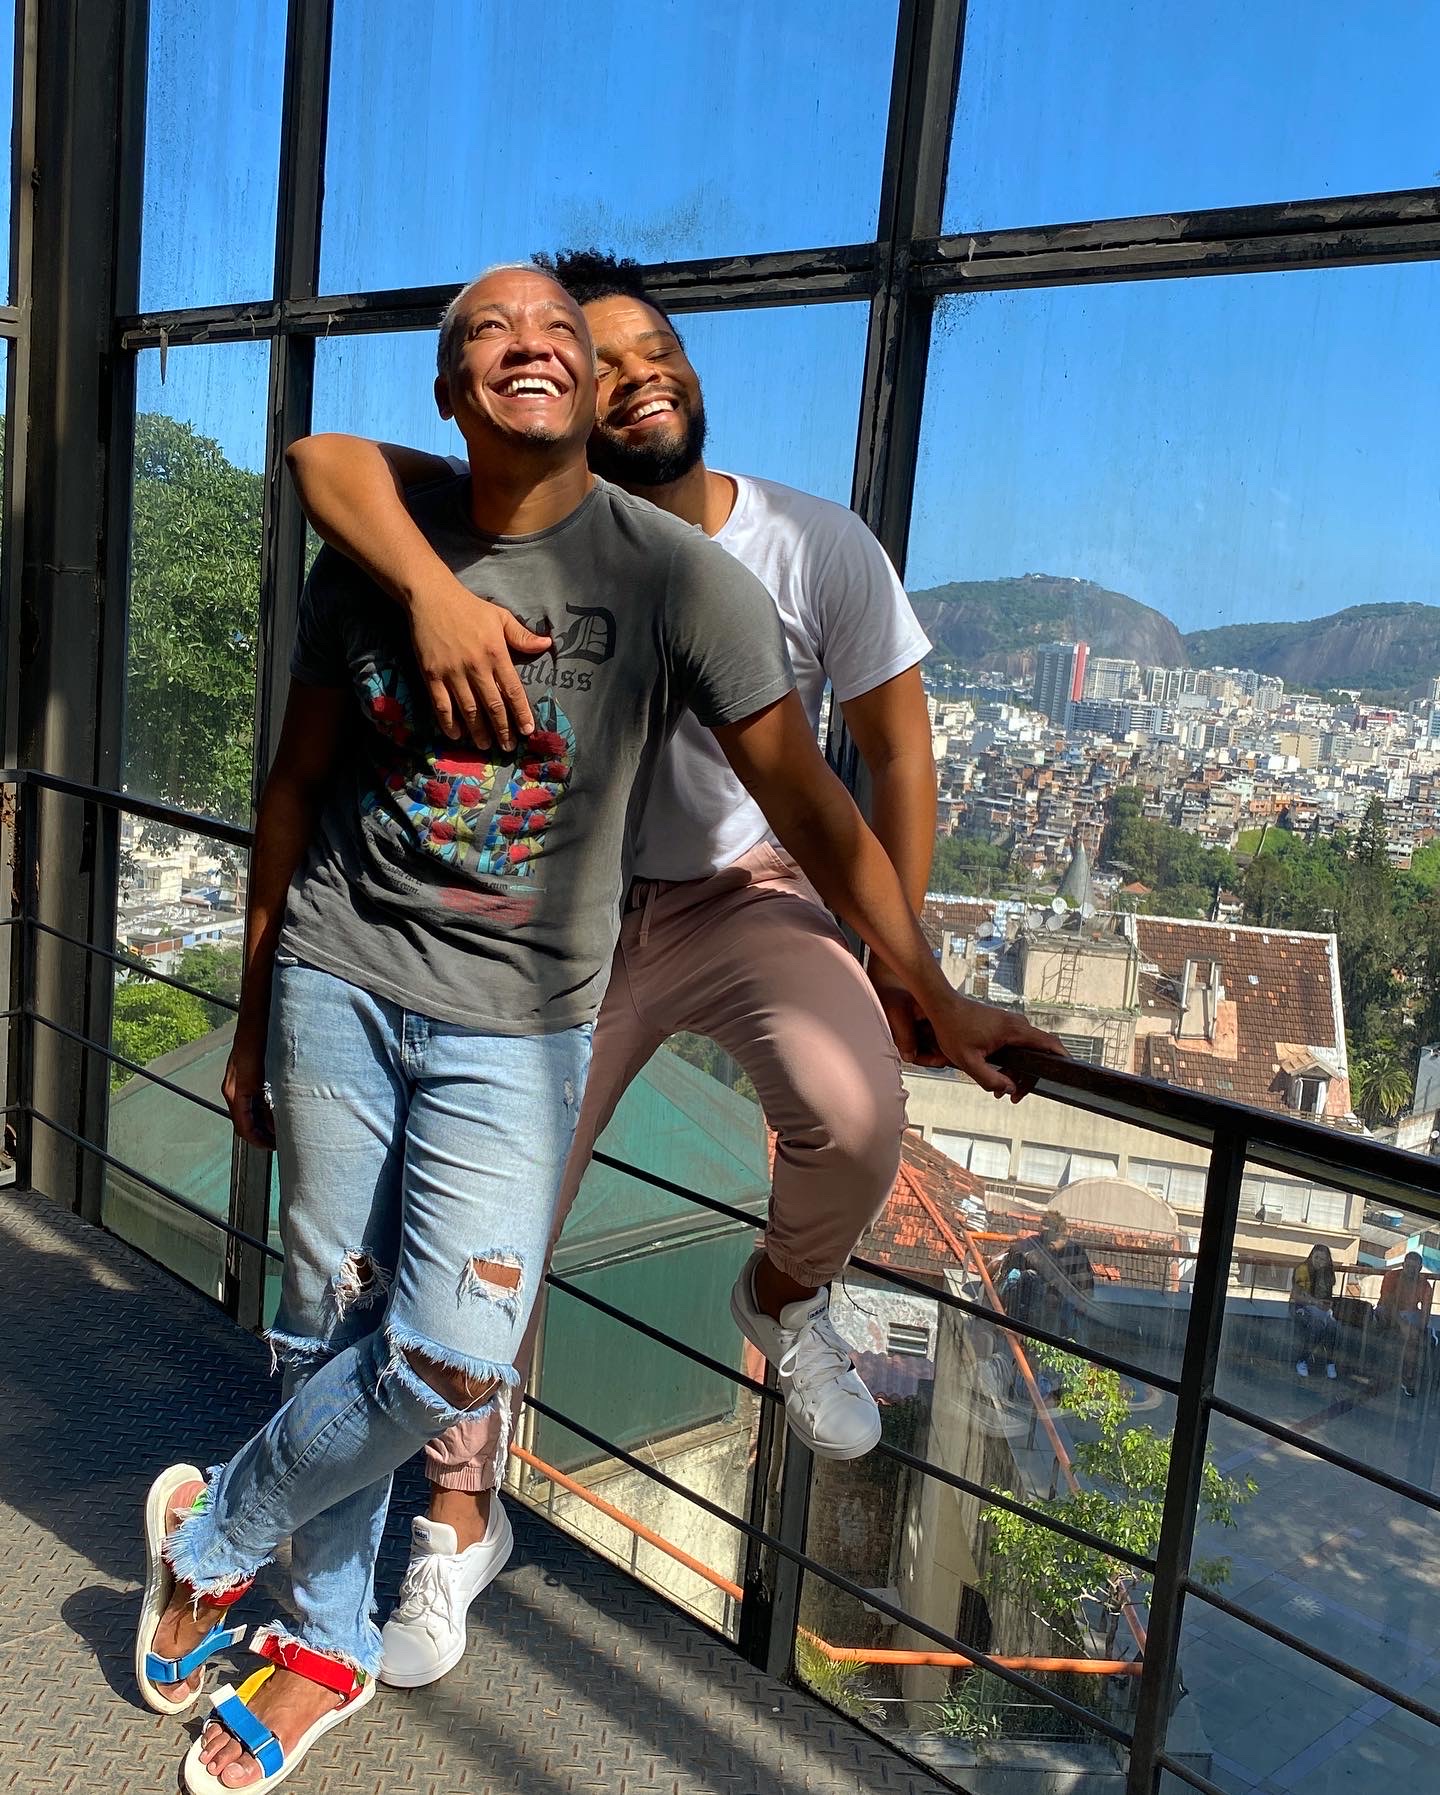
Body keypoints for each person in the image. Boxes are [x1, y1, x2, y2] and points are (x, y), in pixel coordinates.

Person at [132, 264, 1062, 1792]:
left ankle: (220, 1526)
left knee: (445, 1347)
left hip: (522, 1014)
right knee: (321, 1316)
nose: (538, 348)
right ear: (451, 390)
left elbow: (817, 802)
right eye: (492, 331)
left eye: (559, 331)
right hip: (338, 977)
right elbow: (293, 780)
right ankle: (321, 1640)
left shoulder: (680, 578)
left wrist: (934, 987)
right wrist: (253, 1004)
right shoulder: (379, 545)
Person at [285, 247, 967, 1687]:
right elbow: (329, 463)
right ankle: (460, 1518)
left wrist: (916, 965)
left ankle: (786, 1296)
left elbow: (871, 767)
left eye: (659, 347)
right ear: (569, 399)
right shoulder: (515, 524)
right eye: (606, 358)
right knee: (488, 1239)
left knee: (851, 1109)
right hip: (561, 926)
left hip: (740, 896)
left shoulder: (793, 547)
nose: (640, 370)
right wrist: (430, 590)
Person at [1377, 1251, 1435, 1397]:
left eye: (1414, 1268)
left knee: (1415, 1337)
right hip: (1388, 1312)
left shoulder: (1425, 1285)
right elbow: (1387, 1302)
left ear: (1420, 1269)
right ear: (1403, 1265)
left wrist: (1418, 1329)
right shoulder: (1391, 1276)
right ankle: (1407, 1376)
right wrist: (1403, 1324)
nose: (1411, 1271)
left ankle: (1407, 1375)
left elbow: (1426, 1313)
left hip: (1410, 1316)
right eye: (1408, 1267)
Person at [1289, 1243, 1337, 1380]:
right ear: (1311, 1257)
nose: (1319, 1262)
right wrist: (1314, 1302)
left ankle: (1330, 1361)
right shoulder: (1302, 1270)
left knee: (1333, 1326)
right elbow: (1296, 1295)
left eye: (1322, 1259)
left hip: (1320, 1308)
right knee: (1318, 1325)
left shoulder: (1327, 1274)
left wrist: (1327, 1304)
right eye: (1316, 1258)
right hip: (1300, 1306)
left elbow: (1327, 1296)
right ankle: (1302, 1360)